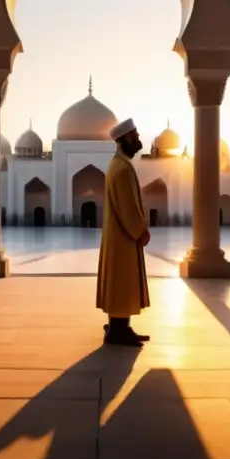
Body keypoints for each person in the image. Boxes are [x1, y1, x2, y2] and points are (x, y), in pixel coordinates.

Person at [97, 118, 152, 347]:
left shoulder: (120, 165)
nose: (138, 139)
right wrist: (140, 230)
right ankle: (118, 330)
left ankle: (119, 326)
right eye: (135, 136)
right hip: (124, 237)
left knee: (122, 282)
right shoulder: (121, 169)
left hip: (120, 237)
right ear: (124, 139)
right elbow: (127, 206)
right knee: (123, 281)